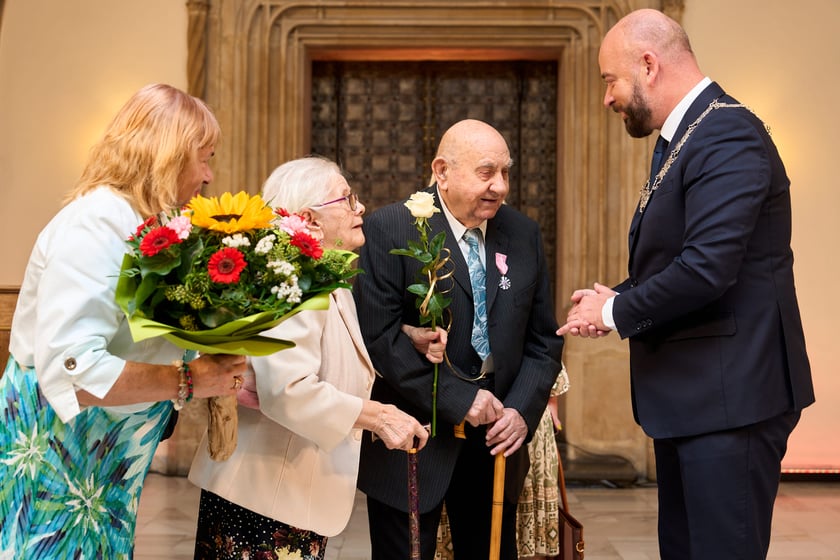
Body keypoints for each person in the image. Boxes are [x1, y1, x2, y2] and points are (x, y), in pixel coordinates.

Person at [557, 9, 815, 560]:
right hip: (698, 400)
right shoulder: (687, 138)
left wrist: (613, 315)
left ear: (648, 65)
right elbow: (679, 259)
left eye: (610, 80)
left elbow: (707, 269)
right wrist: (619, 297)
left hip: (731, 399)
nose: (608, 98)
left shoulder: (727, 133)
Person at [0, 83, 248, 558]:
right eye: (204, 156)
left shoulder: (142, 222)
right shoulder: (96, 222)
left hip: (99, 470)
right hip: (59, 466)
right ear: (168, 155)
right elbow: (75, 369)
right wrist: (189, 379)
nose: (209, 174)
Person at [188, 156, 430, 560]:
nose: (360, 208)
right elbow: (288, 391)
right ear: (308, 219)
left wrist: (407, 334)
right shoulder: (293, 285)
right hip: (263, 501)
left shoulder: (324, 281)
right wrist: (378, 416)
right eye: (346, 199)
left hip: (283, 498)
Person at [354, 119, 564, 559]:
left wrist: (522, 413)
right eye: (486, 172)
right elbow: (380, 337)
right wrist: (458, 399)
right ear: (442, 171)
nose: (500, 186)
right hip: (414, 439)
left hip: (496, 444)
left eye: (506, 173)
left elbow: (543, 340)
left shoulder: (522, 233)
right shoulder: (390, 228)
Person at [435, 365, 570, 559]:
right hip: (453, 415)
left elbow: (545, 351)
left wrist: (542, 402)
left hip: (519, 416)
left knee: (502, 530)